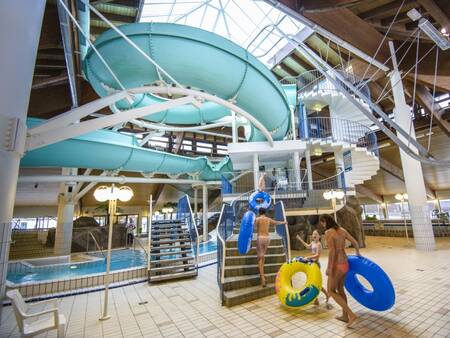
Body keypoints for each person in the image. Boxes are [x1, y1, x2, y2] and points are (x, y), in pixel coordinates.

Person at [320, 214, 360, 328]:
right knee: (340, 289)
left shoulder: (328, 233)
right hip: (345, 264)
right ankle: (344, 316)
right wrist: (358, 253)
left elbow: (332, 252)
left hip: (337, 265)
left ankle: (351, 314)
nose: (322, 226)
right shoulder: (342, 230)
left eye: (322, 223)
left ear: (325, 222)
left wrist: (329, 267)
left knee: (331, 291)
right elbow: (355, 242)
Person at [296, 230, 330, 306]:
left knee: (314, 282)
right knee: (313, 282)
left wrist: (308, 257)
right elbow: (307, 246)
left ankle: (322, 297)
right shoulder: (313, 243)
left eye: (316, 234)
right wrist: (300, 240)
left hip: (316, 264)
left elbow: (317, 255)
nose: (314, 235)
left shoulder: (318, 244)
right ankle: (317, 299)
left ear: (319, 236)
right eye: (313, 234)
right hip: (311, 264)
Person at [255, 208, 287, 287]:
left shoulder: (257, 219)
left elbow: (250, 225)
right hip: (267, 239)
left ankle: (262, 278)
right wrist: (284, 222)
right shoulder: (268, 219)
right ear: (265, 212)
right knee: (263, 256)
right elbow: (276, 222)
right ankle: (263, 274)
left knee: (259, 258)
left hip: (260, 238)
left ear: (259, 212)